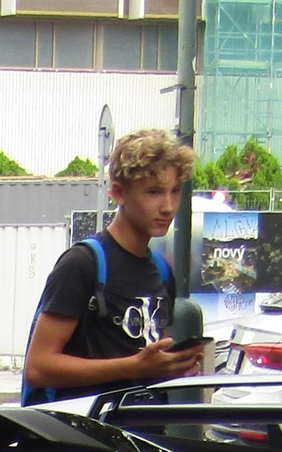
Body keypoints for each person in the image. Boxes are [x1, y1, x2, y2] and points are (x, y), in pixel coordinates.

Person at [20, 128, 204, 402]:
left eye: (175, 191)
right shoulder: (82, 264)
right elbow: (38, 368)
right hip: (88, 437)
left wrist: (176, 368)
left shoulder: (161, 271)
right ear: (118, 193)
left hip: (145, 434)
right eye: (153, 192)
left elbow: (153, 360)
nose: (168, 206)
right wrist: (134, 367)